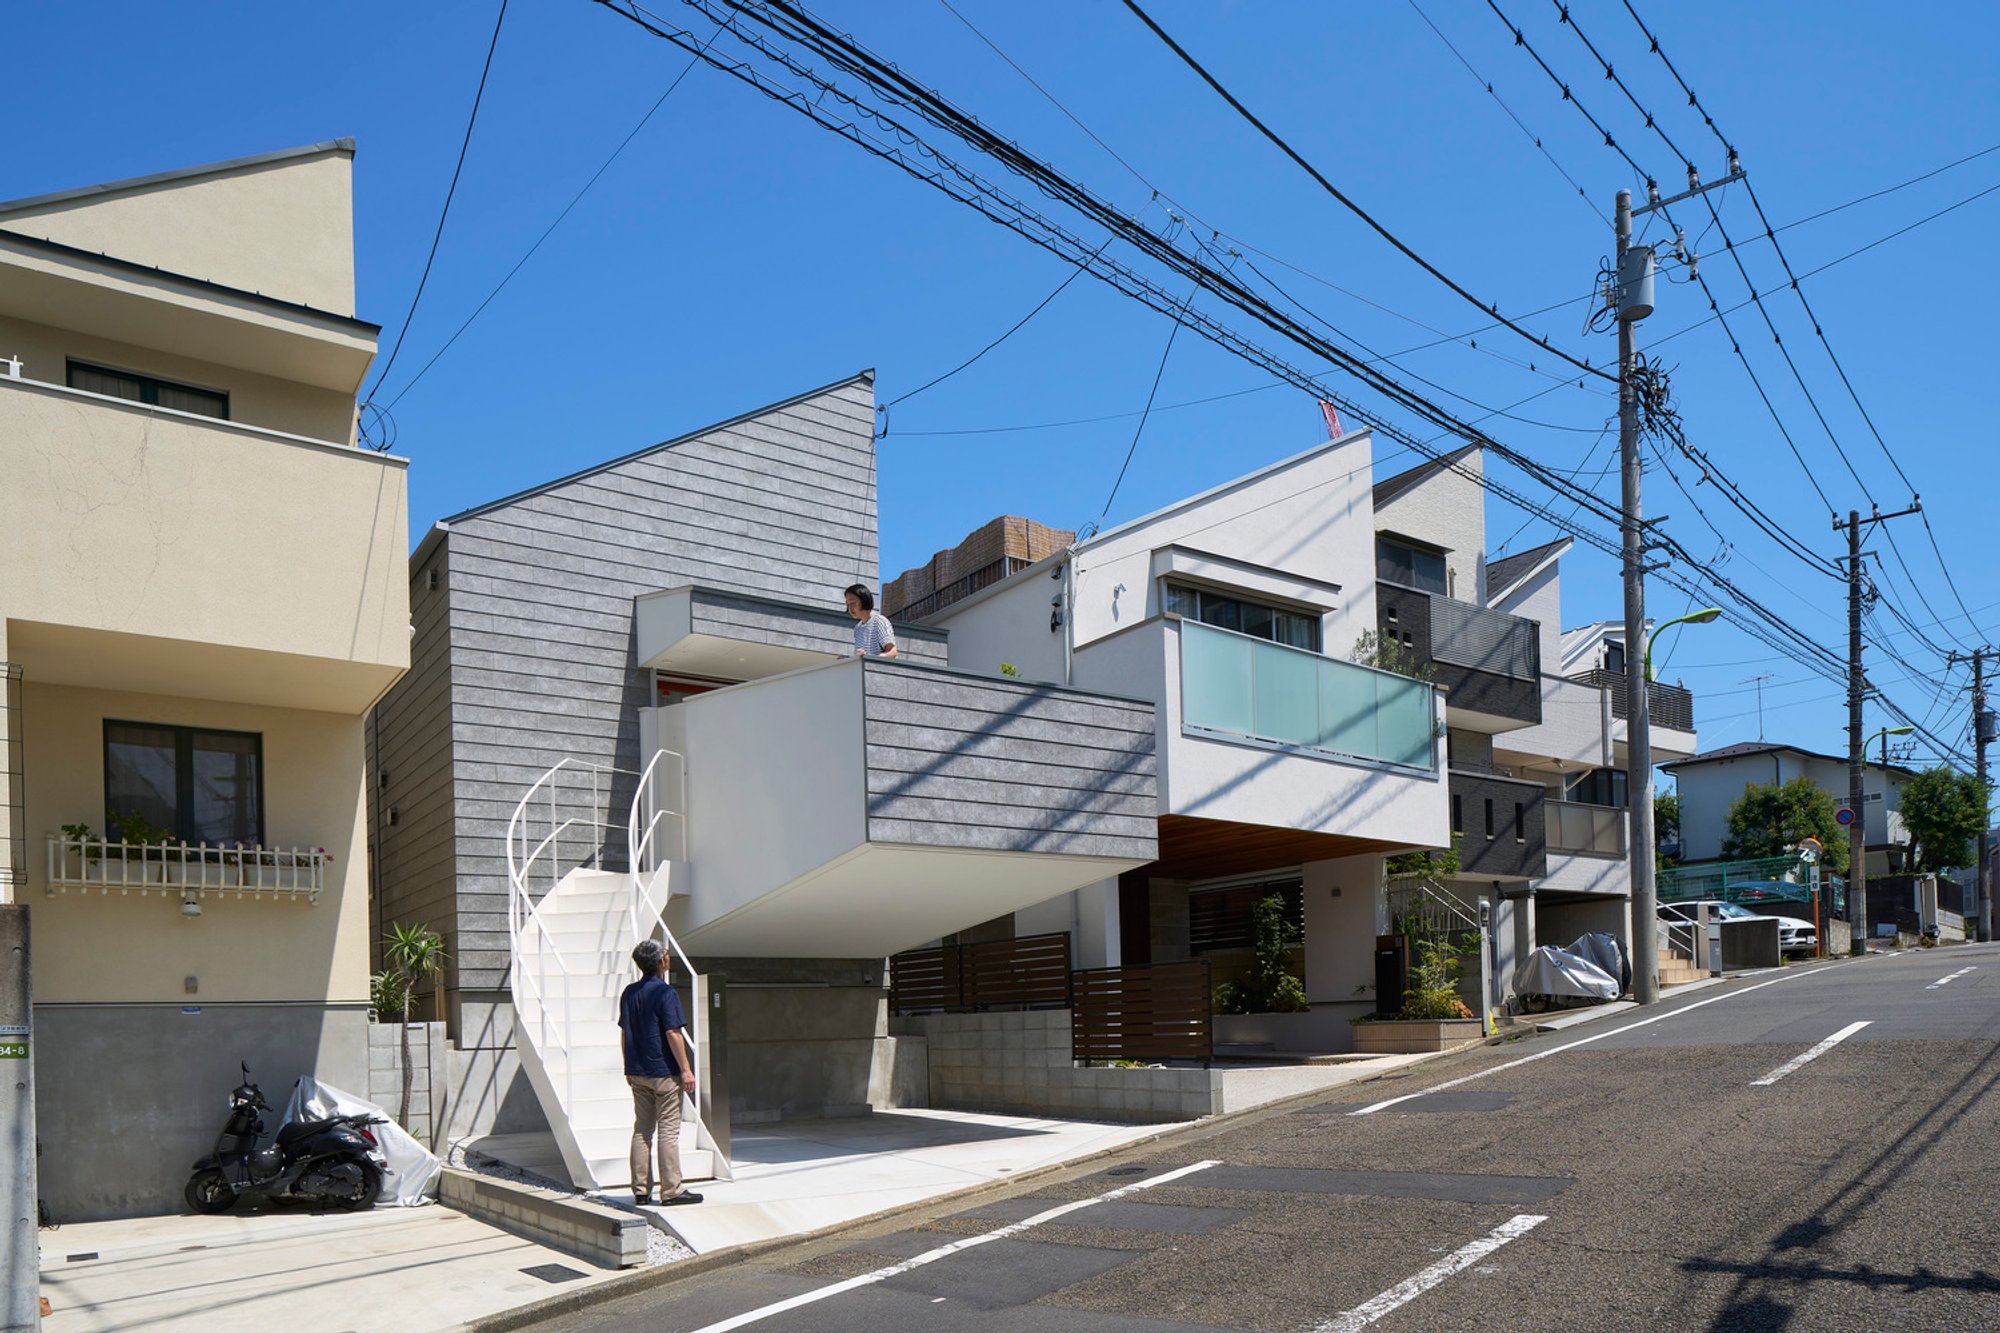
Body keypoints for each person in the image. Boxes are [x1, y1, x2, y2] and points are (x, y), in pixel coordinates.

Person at [618, 938, 700, 1206]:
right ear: (660, 962)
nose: (668, 958)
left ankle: (641, 1190)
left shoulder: (629, 993)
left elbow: (624, 1033)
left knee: (642, 1130)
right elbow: (673, 1033)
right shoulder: (666, 993)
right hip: (663, 1072)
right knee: (668, 1131)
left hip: (638, 1072)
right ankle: (672, 1191)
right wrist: (686, 1070)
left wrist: (627, 1065)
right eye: (666, 955)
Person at [844, 583, 898, 658]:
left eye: (852, 603)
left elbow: (892, 652)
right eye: (847, 604)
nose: (849, 608)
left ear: (864, 600)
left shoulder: (880, 621)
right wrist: (847, 660)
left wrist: (870, 658)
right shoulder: (858, 628)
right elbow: (862, 657)